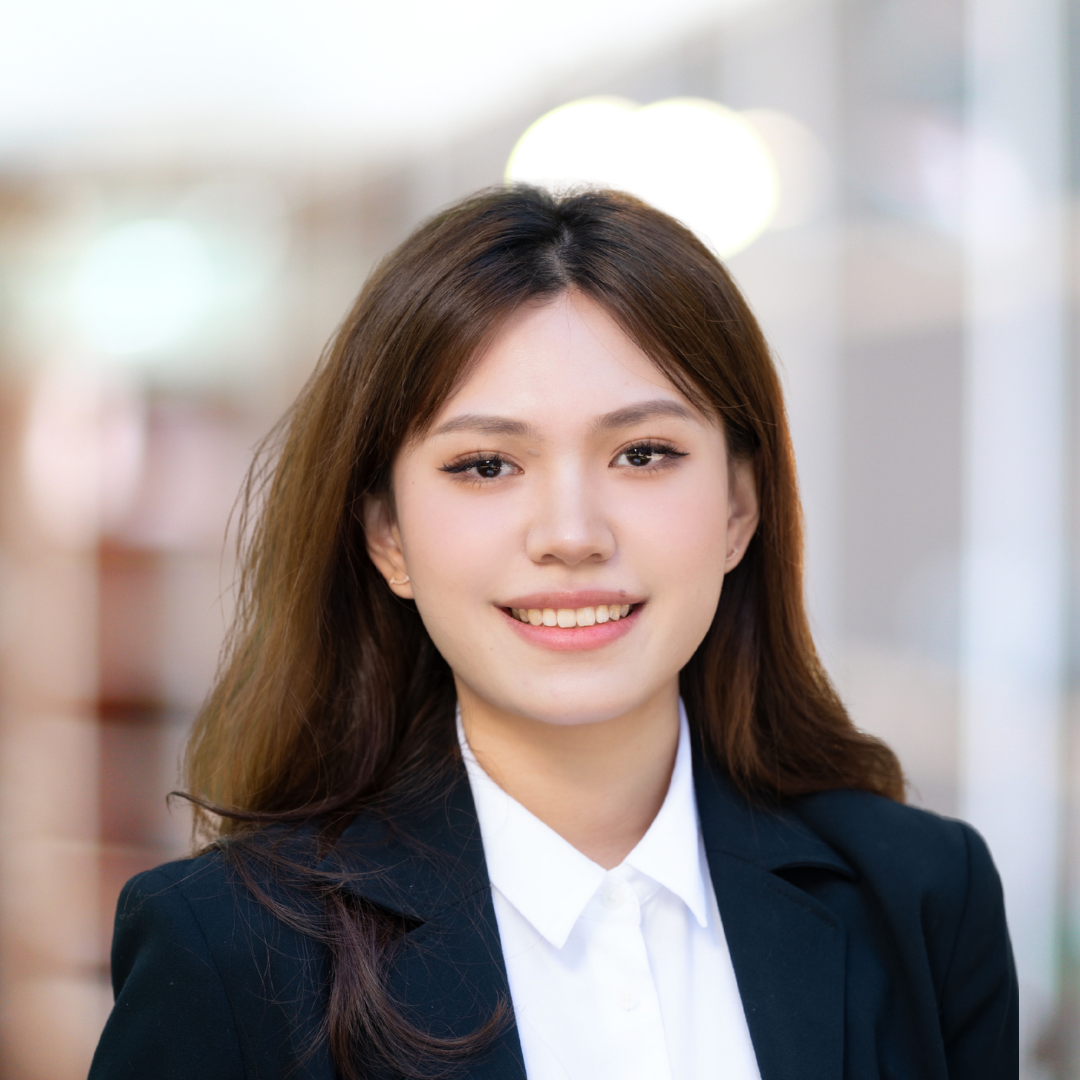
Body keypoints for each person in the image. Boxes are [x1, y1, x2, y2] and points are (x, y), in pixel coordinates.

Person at [89, 187, 1017, 1080]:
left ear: (740, 506)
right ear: (387, 537)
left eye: (642, 454)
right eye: (487, 465)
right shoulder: (227, 951)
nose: (571, 535)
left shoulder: (924, 897)